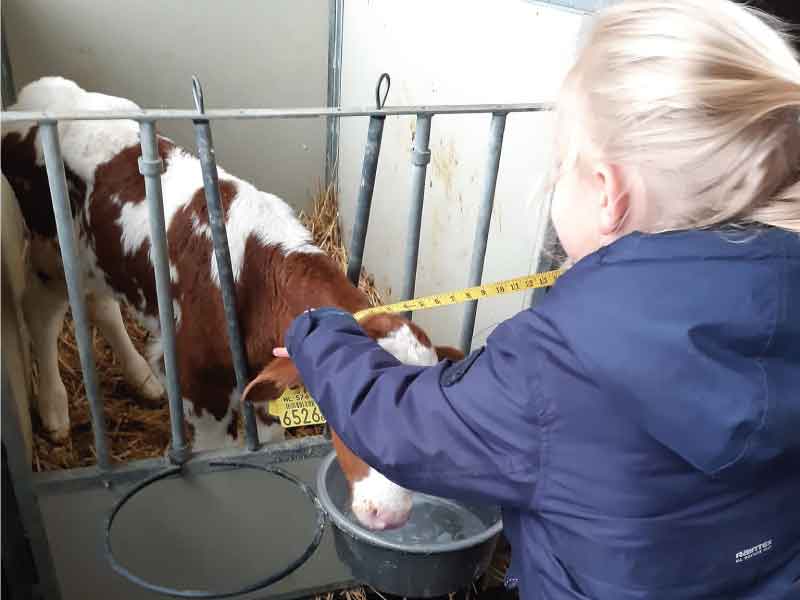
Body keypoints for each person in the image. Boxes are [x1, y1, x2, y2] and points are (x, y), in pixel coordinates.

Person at [273, 1, 800, 597]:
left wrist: (317, 333)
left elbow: (396, 424)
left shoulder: (563, 359)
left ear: (607, 193)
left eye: (560, 167)